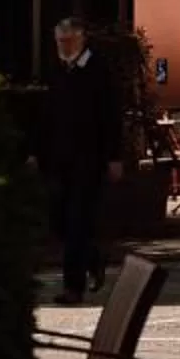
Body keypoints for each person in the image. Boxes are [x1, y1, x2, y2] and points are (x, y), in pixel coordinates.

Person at [41, 15, 125, 304]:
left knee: (77, 220)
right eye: (58, 41)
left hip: (90, 159)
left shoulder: (98, 70)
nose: (62, 46)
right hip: (61, 158)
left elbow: (112, 116)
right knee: (59, 221)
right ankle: (93, 258)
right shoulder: (57, 70)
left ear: (81, 38)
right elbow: (48, 116)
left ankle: (72, 288)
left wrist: (114, 157)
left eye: (66, 40)